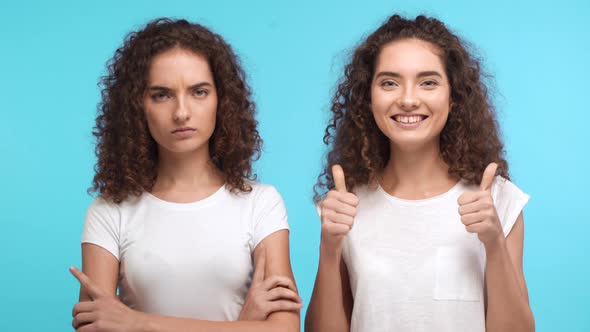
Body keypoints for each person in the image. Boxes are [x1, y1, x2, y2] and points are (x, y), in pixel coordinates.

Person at [305, 14, 535, 332]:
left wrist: (493, 243)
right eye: (389, 83)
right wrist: (329, 248)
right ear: (367, 99)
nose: (409, 99)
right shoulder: (346, 205)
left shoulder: (497, 200)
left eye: (428, 82)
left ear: (453, 98)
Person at [70, 18, 301, 332]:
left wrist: (137, 322)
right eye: (162, 95)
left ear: (222, 100)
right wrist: (246, 324)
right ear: (138, 107)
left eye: (199, 92)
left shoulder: (261, 203)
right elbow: (95, 327)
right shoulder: (109, 211)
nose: (181, 112)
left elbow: (285, 328)